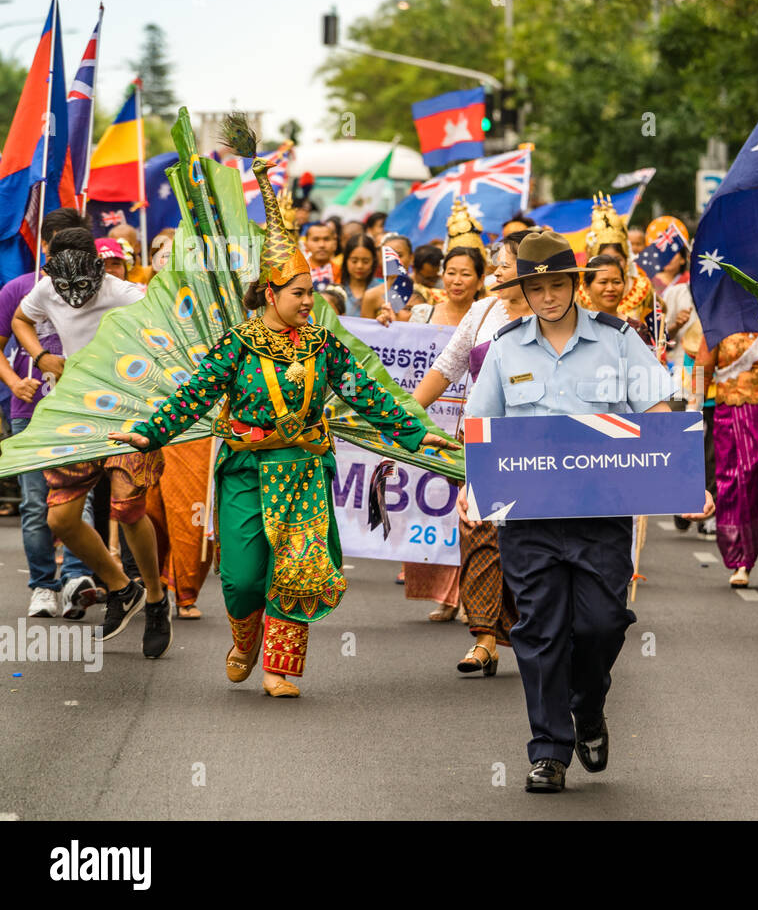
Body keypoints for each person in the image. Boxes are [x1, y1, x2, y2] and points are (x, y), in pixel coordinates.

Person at [109, 176, 454, 697]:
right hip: (246, 468)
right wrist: (151, 433)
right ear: (270, 294)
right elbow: (193, 395)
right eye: (299, 294)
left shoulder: (322, 344)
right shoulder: (237, 345)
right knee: (243, 578)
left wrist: (418, 433)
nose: (309, 303)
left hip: (305, 469)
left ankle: (279, 669)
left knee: (296, 571)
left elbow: (367, 394)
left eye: (312, 293)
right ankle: (245, 641)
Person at [463, 230, 712, 792]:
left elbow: (657, 408)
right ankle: (549, 749)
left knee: (601, 624)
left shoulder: (619, 341)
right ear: (522, 291)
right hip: (528, 517)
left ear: (574, 284)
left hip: (603, 513)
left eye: (557, 285)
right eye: (536, 288)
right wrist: (469, 487)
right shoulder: (503, 348)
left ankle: (589, 707)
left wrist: (684, 482)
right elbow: (481, 430)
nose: (548, 297)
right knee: (540, 631)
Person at [11, 234, 170, 658]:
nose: (76, 295)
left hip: (129, 410)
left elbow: (169, 334)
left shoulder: (127, 294)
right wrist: (42, 357)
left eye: (84, 283)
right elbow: (20, 320)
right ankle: (122, 588)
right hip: (77, 415)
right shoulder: (45, 288)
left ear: (98, 269)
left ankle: (156, 599)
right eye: (67, 286)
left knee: (127, 506)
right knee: (60, 520)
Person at [411, 228, 532, 667]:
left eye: (504, 263)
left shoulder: (554, 316)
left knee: (520, 542)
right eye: (496, 262)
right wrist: (400, 419)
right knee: (478, 532)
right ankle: (483, 638)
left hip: (532, 446)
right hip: (478, 443)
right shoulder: (482, 313)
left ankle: (528, 632)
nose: (496, 270)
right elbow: (445, 370)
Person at [0, 213, 101, 619]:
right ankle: (43, 585)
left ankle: (78, 578)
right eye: (60, 249)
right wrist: (13, 382)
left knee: (82, 497)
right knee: (35, 503)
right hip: (30, 411)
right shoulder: (18, 290)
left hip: (80, 410)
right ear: (44, 248)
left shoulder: (94, 290)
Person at [401, 243, 487, 617]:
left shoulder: (489, 317)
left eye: (466, 273)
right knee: (433, 508)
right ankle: (444, 595)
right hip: (429, 428)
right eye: (451, 271)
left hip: (473, 428)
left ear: (481, 279)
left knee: (472, 512)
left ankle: (475, 598)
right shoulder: (421, 313)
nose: (456, 280)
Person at [692, 331, 758, 587]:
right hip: (731, 414)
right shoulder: (719, 320)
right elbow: (702, 367)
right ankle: (740, 560)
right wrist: (692, 406)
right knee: (738, 483)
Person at [583, 255, 654, 347]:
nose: (610, 288)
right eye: (603, 282)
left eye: (616, 282)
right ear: (586, 287)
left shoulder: (635, 329)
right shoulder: (577, 327)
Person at [302, 222, 338, 288]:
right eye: (315, 240)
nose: (322, 245)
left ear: (335, 244)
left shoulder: (340, 271)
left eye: (326, 239)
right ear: (306, 245)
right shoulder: (299, 271)